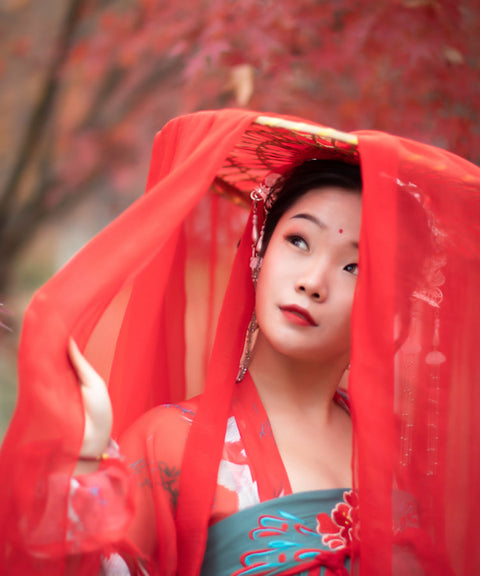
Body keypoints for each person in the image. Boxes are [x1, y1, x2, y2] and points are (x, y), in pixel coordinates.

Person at [0, 109, 479, 575]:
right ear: (259, 253)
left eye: (355, 267)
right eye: (297, 241)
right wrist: (85, 460)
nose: (313, 282)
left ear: (391, 307)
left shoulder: (404, 460)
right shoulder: (169, 442)